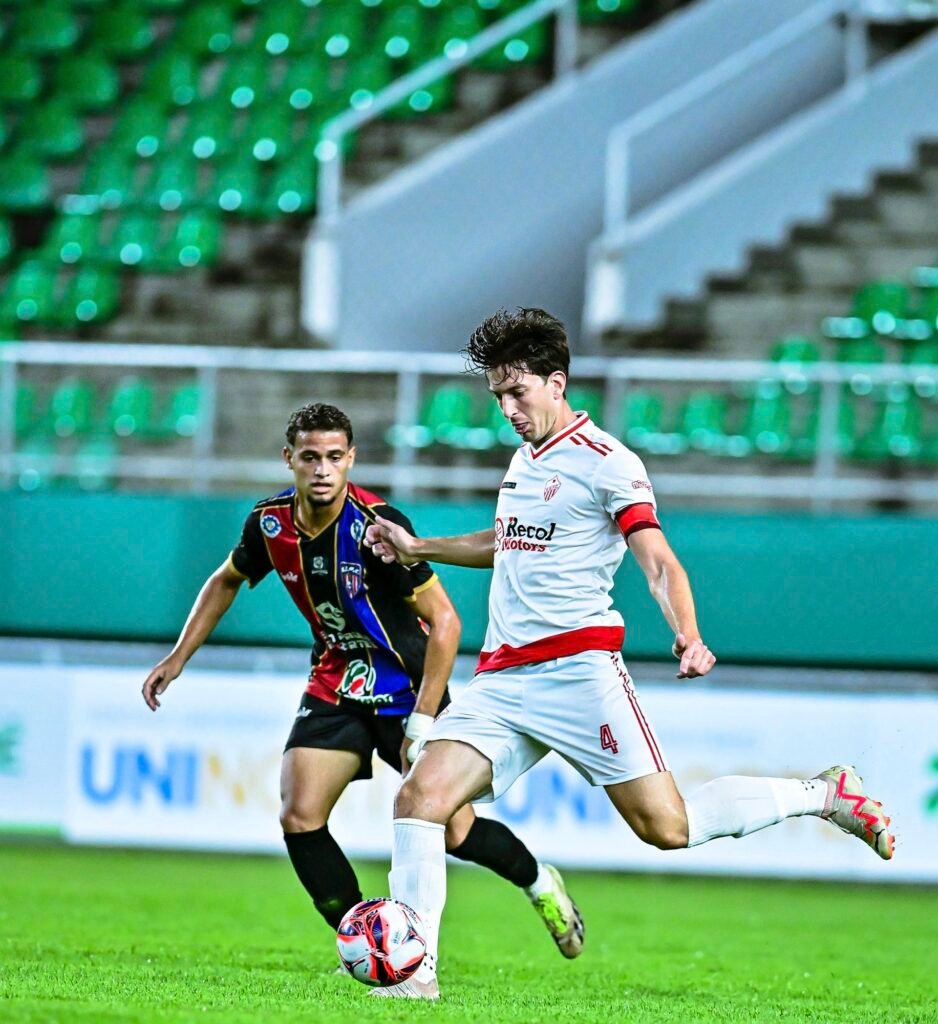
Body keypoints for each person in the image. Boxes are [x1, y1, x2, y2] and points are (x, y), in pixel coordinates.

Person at [365, 308, 896, 1000]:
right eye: (497, 395)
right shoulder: (525, 462)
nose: (506, 409)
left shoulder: (609, 463)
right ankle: (413, 978)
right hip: (503, 676)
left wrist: (688, 631)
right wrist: (419, 547)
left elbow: (657, 561)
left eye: (517, 392)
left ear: (557, 383)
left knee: (667, 827)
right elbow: (505, 541)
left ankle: (827, 794)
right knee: (419, 797)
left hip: (579, 674)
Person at [142, 401, 584, 963]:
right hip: (336, 680)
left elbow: (446, 622)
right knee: (299, 813)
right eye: (310, 457)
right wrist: (179, 656)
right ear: (289, 460)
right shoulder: (269, 523)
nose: (322, 469)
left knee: (455, 832)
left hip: (406, 688)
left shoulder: (378, 527)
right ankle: (372, 943)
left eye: (333, 457)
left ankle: (539, 883)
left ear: (350, 459)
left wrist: (424, 719)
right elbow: (226, 579)